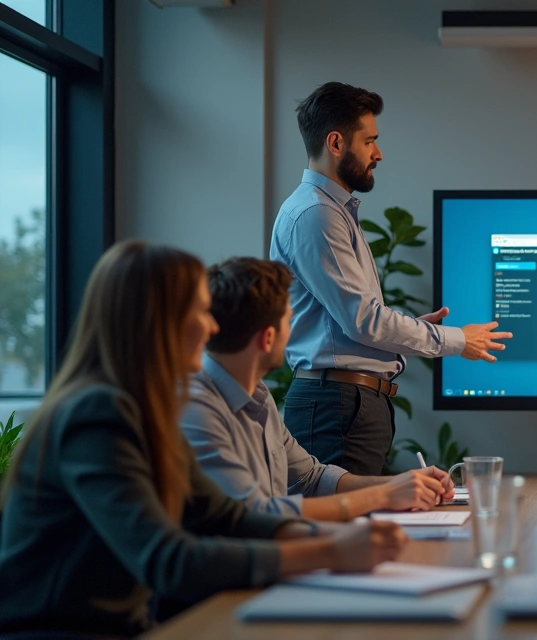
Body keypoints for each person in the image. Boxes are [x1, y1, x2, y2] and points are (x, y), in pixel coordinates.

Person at [0, 241, 407, 637]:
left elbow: (226, 518)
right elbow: (169, 559)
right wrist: (331, 552)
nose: (213, 327)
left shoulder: (144, 409)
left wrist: (340, 538)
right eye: (201, 311)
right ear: (160, 321)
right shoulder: (97, 414)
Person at [271, 81, 510, 475]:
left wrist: (414, 329)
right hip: (337, 406)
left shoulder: (333, 211)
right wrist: (458, 340)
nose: (378, 154)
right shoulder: (318, 215)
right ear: (335, 143)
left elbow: (349, 320)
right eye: (369, 141)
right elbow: (363, 320)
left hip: (347, 403)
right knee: (346, 532)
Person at [182, 257, 455, 521]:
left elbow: (312, 478)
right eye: (290, 320)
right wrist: (383, 496)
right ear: (268, 338)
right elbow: (254, 514)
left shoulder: (258, 398)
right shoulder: (197, 409)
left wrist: (404, 483)